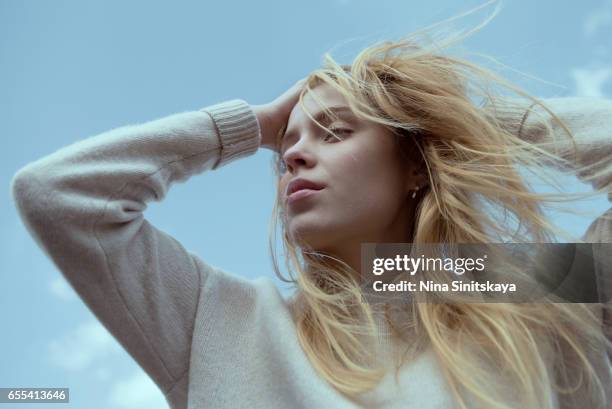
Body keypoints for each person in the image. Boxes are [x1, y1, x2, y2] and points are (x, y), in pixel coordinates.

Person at [10, 16, 612, 409]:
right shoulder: (224, 323)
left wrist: (457, 123)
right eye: (284, 147)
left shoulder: (530, 290)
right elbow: (59, 196)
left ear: (413, 166)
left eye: (334, 132)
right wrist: (253, 125)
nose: (293, 153)